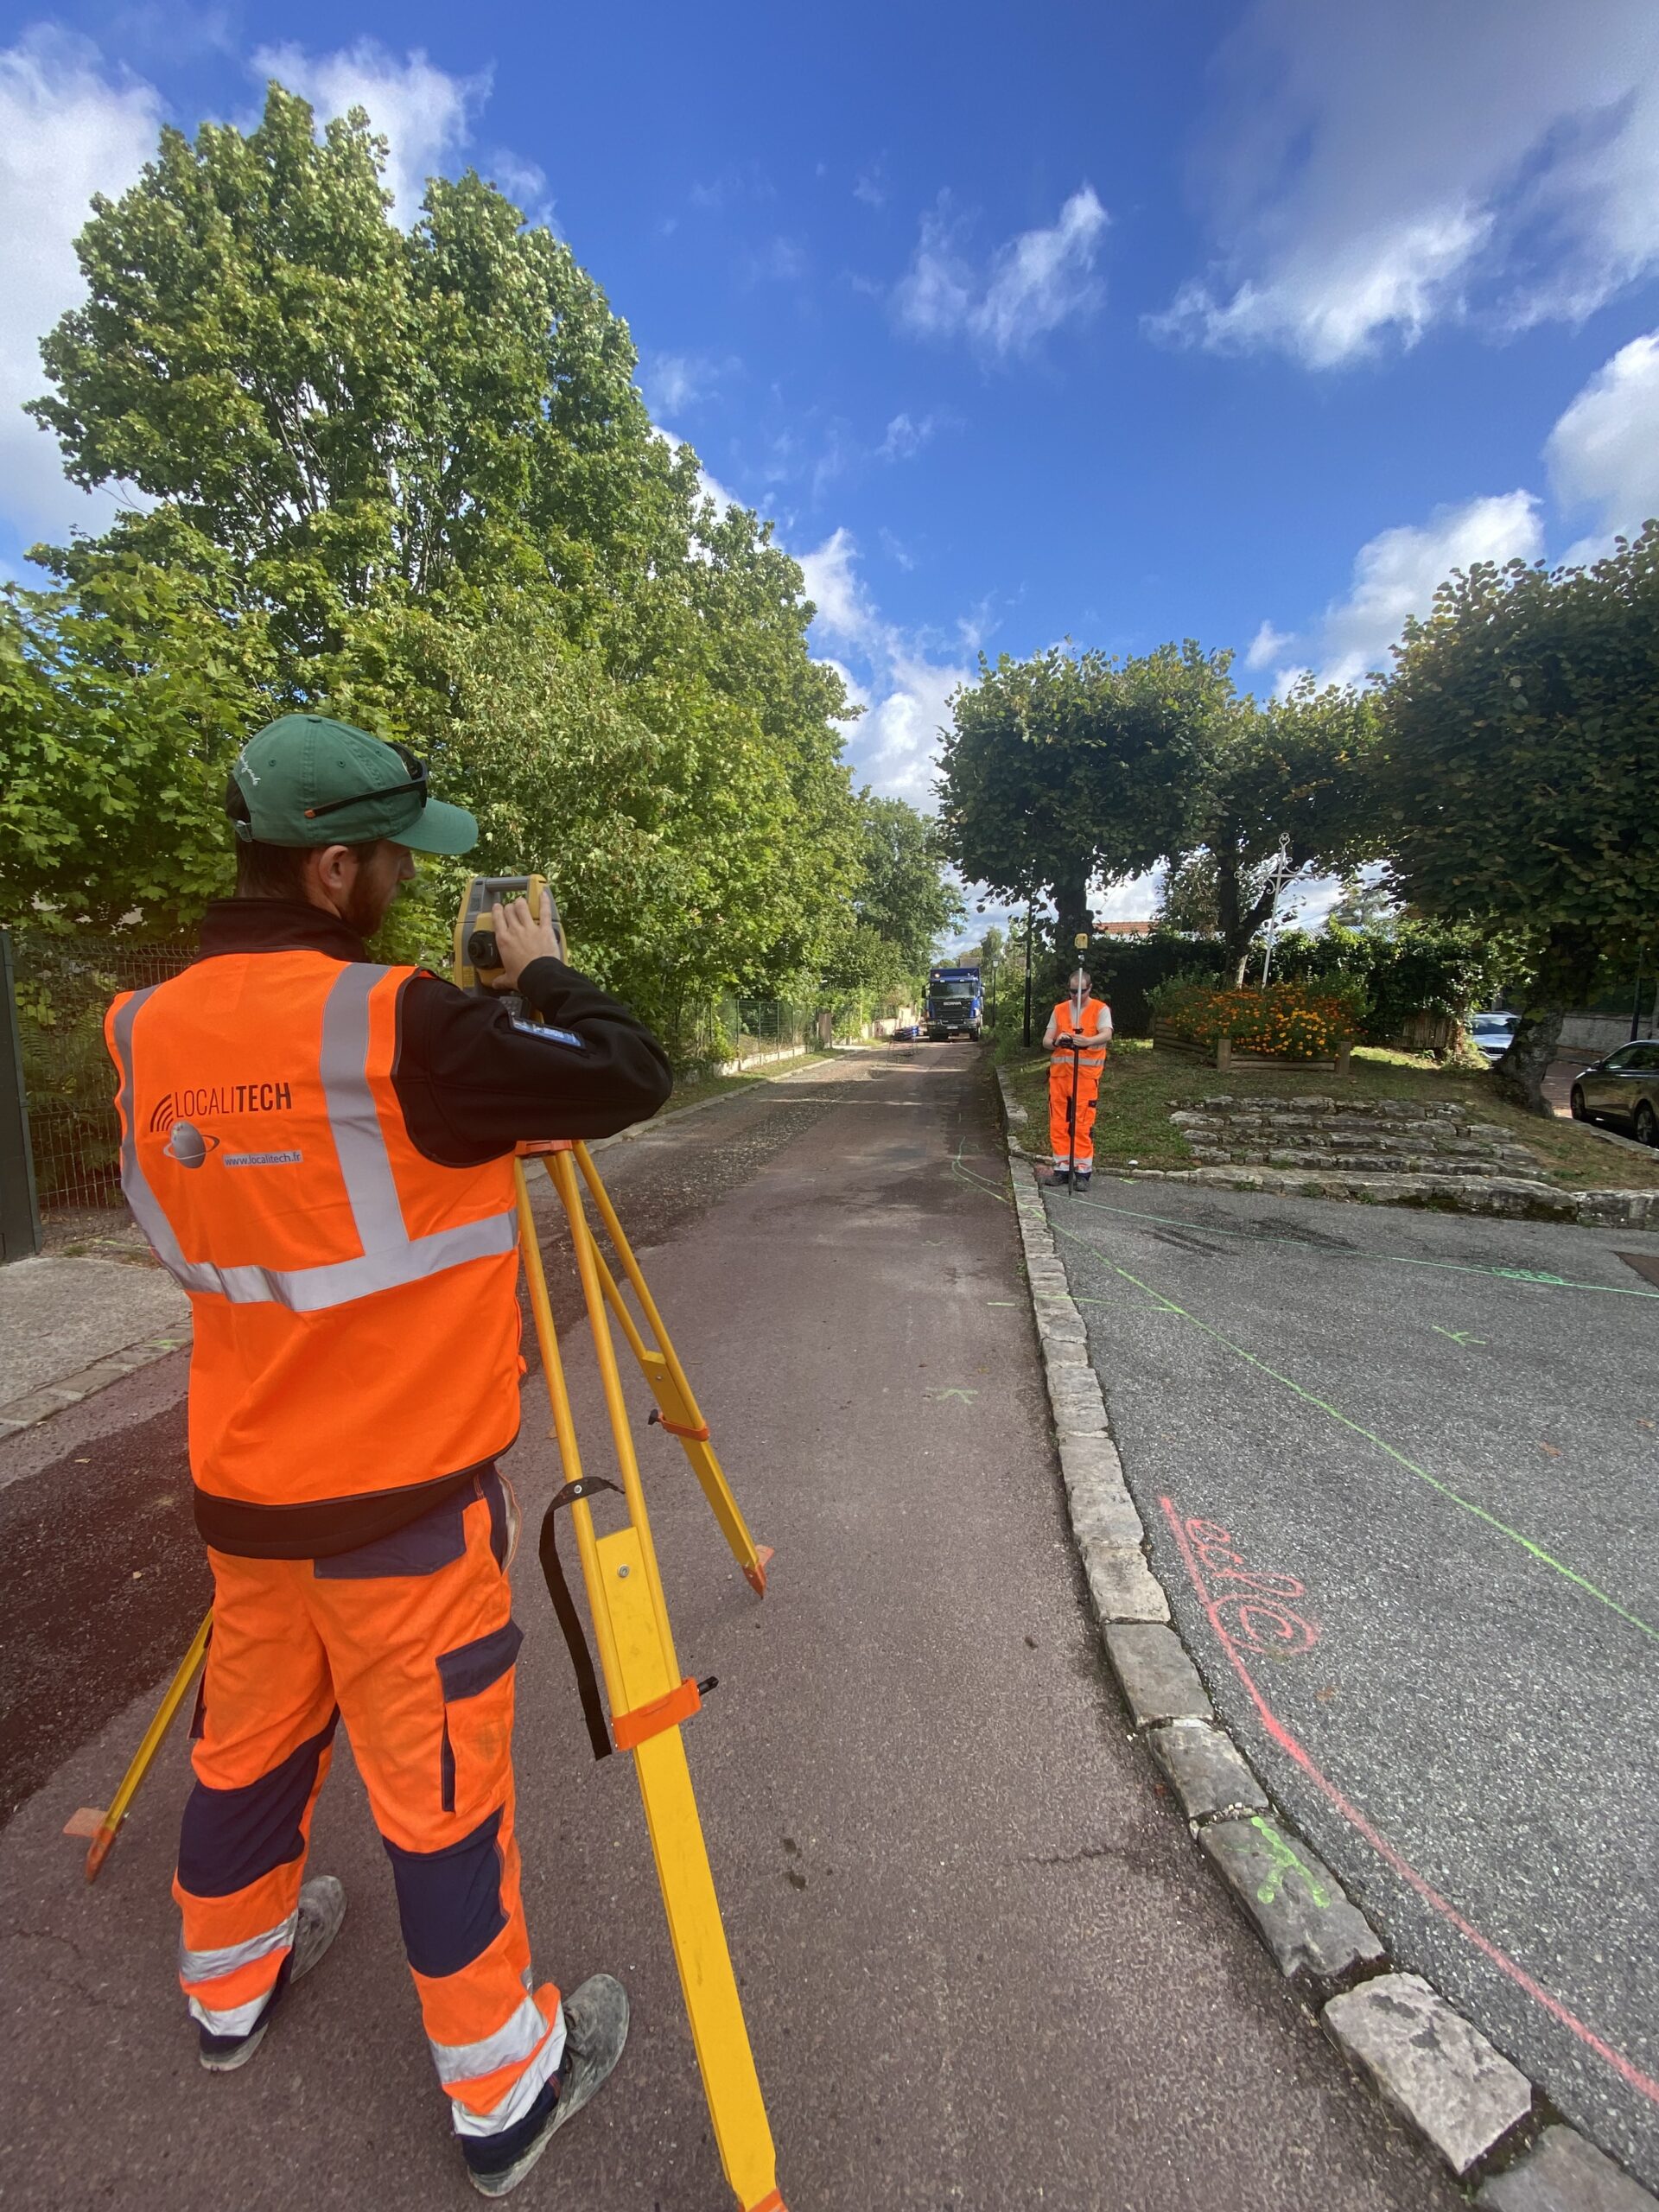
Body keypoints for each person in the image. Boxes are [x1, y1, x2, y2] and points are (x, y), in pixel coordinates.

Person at [104, 714, 673, 2198]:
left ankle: (226, 1992)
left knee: (249, 1745)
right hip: (406, 1512)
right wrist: (537, 963)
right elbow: (627, 1068)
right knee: (439, 1793)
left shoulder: (141, 1031)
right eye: (393, 870)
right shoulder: (395, 1025)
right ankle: (504, 2091)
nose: (410, 895)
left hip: (243, 1493)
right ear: (333, 866)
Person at [1042, 968, 1112, 1188]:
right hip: (1060, 1078)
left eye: (1080, 991)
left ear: (1089, 988)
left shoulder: (1100, 1009)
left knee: (1082, 1124)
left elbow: (1107, 1033)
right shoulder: (1060, 1010)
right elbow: (1046, 1040)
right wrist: (1057, 1041)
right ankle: (1061, 1168)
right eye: (1072, 991)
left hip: (1086, 1078)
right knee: (1058, 1123)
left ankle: (1083, 1172)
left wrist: (1088, 1041)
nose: (1076, 996)